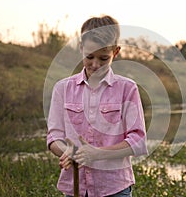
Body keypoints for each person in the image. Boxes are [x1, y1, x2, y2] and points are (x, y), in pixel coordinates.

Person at [47, 15, 148, 197]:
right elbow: (54, 137)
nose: (95, 65)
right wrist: (69, 152)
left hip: (115, 188)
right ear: (81, 49)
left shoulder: (127, 88)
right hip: (74, 187)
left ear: (115, 52)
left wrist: (97, 154)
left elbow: (138, 141)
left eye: (103, 58)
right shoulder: (62, 88)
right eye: (89, 57)